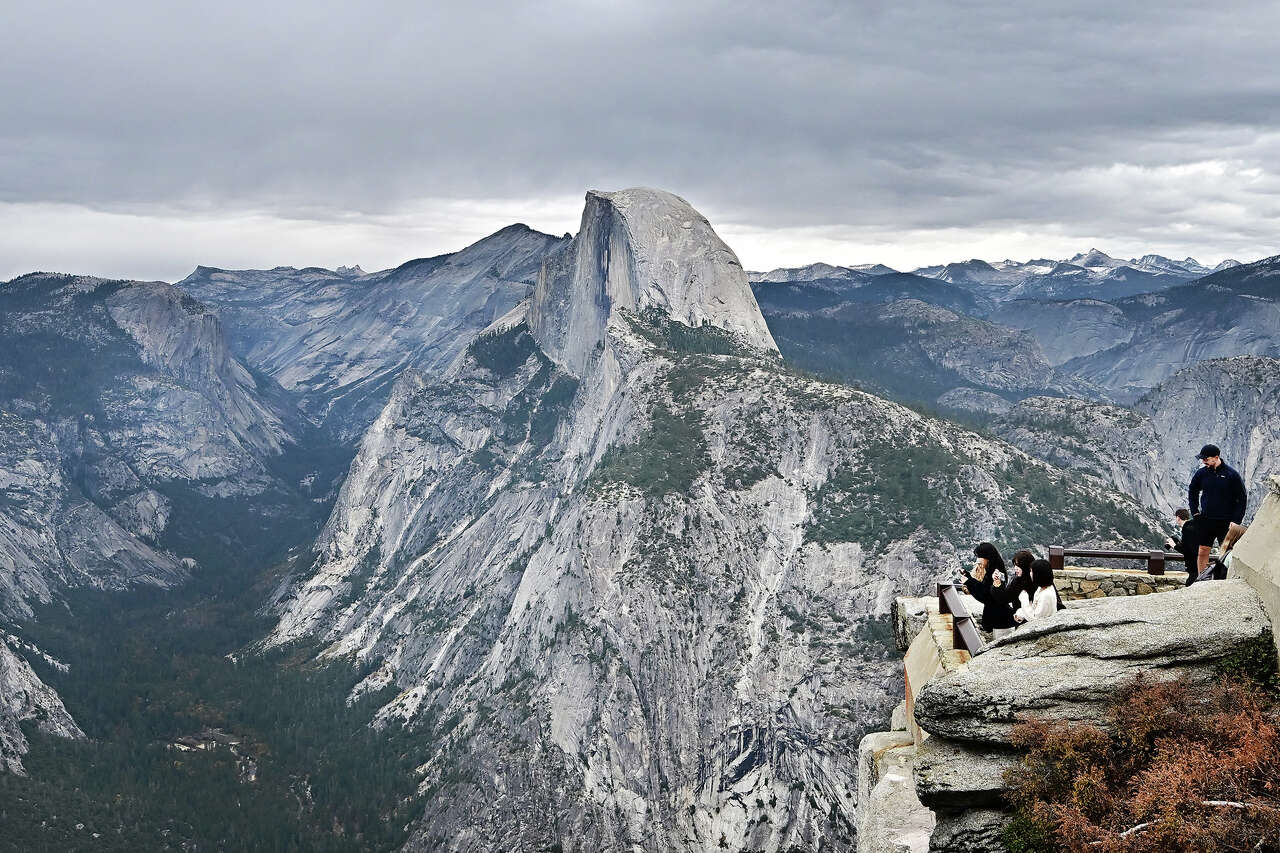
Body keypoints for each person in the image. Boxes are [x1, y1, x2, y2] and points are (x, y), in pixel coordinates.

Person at [1188, 443, 1248, 576]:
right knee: (1202, 550)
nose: (1203, 462)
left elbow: (1242, 498)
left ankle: (1223, 579)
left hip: (1226, 522)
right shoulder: (1201, 473)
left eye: (1206, 459)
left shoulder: (1232, 475)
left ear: (1216, 457)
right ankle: (1201, 579)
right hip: (1206, 519)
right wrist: (1195, 512)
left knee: (1226, 553)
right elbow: (1192, 490)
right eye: (1202, 459)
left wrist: (1236, 520)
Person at [963, 542, 1017, 639]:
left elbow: (987, 596)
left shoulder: (996, 573)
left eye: (979, 557)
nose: (978, 560)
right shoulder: (993, 569)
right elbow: (985, 590)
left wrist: (969, 582)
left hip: (1001, 621)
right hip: (999, 619)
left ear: (987, 557)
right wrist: (968, 577)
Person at [1014, 559, 1060, 625]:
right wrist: (1021, 613)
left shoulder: (1046, 595)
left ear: (1038, 574)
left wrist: (1024, 600)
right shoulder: (1042, 588)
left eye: (1031, 571)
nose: (1030, 574)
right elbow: (1035, 610)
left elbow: (1035, 619)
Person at [1165, 507, 1203, 586]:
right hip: (1197, 564)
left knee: (1190, 586)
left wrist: (1174, 545)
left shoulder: (1187, 529)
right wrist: (1178, 542)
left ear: (1178, 517)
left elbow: (1187, 550)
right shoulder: (1192, 526)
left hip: (1194, 566)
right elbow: (1190, 544)